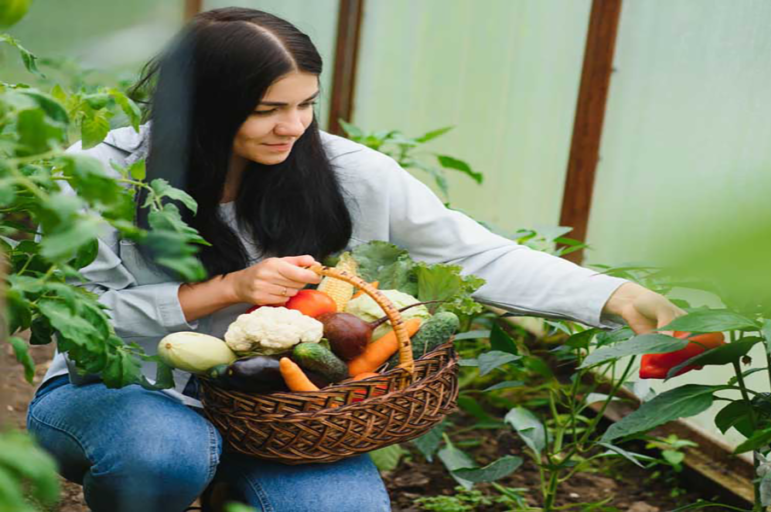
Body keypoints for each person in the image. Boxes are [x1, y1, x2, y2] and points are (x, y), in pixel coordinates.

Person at [25, 7, 683, 512]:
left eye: (305, 104)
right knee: (163, 453)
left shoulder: (344, 171)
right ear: (202, 107)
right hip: (119, 394)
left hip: (284, 410)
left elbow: (470, 250)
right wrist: (228, 289)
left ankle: (230, 485)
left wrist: (614, 296)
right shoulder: (103, 177)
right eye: (268, 110)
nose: (294, 126)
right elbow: (75, 317)